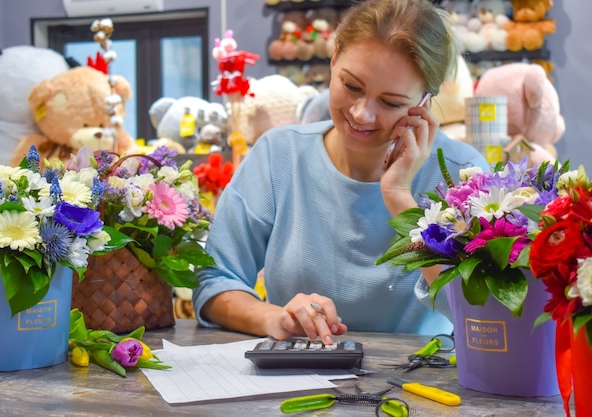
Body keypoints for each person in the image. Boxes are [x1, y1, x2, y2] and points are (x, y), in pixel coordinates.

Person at [193, 0, 489, 344]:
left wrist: (399, 197)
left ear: (423, 102)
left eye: (391, 103)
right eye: (351, 86)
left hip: (426, 389)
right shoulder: (279, 156)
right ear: (334, 59)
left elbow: (481, 314)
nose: (362, 114)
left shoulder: (460, 177)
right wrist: (275, 319)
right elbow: (212, 280)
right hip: (296, 380)